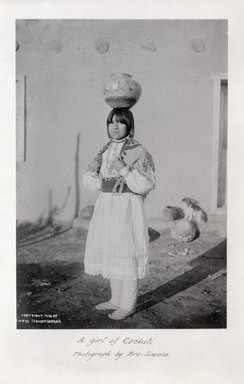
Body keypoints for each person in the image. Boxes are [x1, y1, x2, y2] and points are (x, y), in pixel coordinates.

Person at [82, 108, 156, 320]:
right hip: (107, 206)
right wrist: (91, 170)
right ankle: (116, 299)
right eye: (111, 122)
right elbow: (95, 185)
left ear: (129, 126)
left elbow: (145, 184)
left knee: (127, 253)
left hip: (127, 207)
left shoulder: (139, 151)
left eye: (120, 123)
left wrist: (124, 169)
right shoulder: (105, 150)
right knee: (113, 251)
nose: (114, 127)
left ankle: (128, 304)